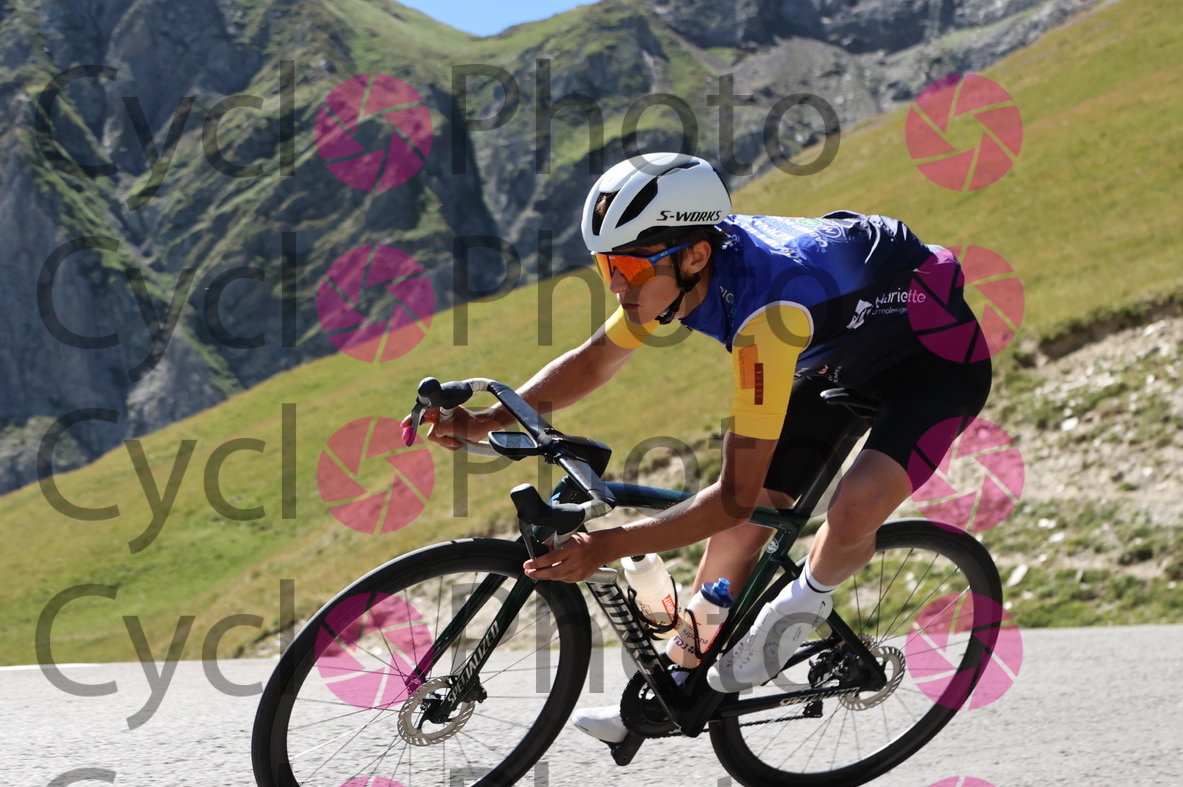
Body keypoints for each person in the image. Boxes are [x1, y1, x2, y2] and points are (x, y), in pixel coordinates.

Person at [409, 152, 992, 744]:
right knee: (741, 534)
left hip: (933, 363)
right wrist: (488, 419)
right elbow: (594, 361)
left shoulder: (765, 313)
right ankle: (679, 678)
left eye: (628, 267)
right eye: (607, 265)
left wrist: (606, 545)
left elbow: (732, 497)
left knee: (854, 505)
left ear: (694, 257)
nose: (616, 284)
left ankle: (801, 606)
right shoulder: (673, 274)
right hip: (837, 357)